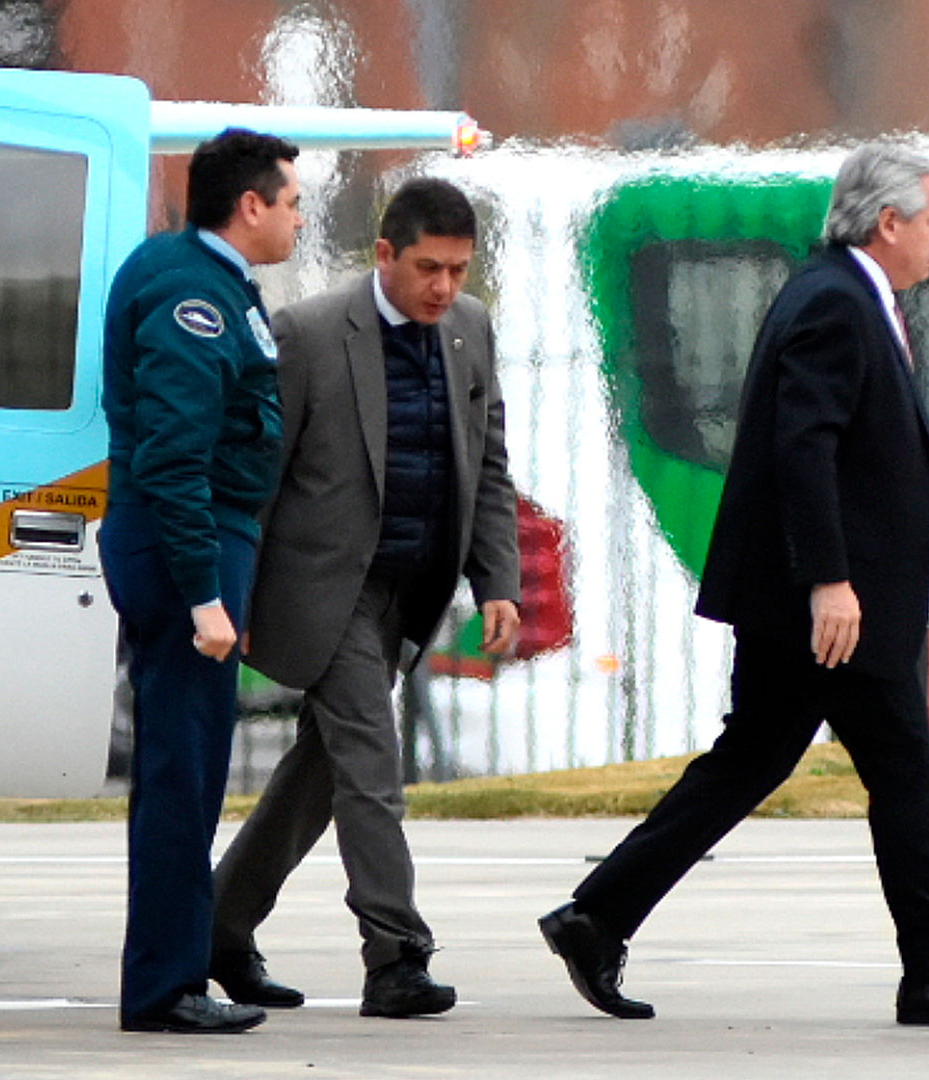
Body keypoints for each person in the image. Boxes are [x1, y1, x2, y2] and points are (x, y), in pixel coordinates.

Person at [537, 144, 929, 1028]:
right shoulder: (835, 304)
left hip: (820, 604)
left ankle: (598, 915)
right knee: (900, 774)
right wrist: (830, 582)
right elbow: (801, 447)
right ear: (888, 224)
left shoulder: (845, 294)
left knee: (752, 761)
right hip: (830, 609)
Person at [209, 177, 521, 1018]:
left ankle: (216, 925)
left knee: (322, 770)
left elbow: (487, 464)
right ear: (384, 254)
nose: (443, 288)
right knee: (372, 763)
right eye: (427, 268)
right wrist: (226, 592)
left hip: (412, 590)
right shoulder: (309, 333)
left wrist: (498, 581)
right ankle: (396, 956)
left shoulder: (469, 329)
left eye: (458, 270)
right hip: (326, 586)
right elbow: (259, 477)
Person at [101, 128, 303, 1035]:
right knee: (183, 776)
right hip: (186, 549)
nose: (299, 215)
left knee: (187, 770)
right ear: (250, 205)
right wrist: (205, 598)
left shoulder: (199, 277)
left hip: (205, 548)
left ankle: (176, 970)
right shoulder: (193, 296)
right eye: (292, 199)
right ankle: (163, 988)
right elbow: (176, 460)